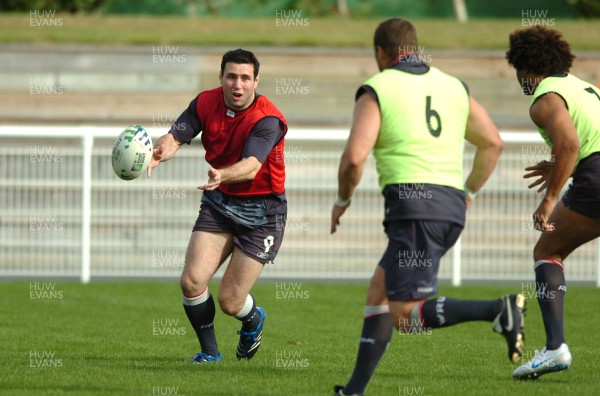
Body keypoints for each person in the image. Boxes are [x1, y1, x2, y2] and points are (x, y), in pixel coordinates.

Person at [330, 18, 520, 395]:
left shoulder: (379, 87)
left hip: (415, 209)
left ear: (380, 53)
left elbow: (354, 159)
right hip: (448, 207)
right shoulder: (453, 86)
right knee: (378, 294)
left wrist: (342, 200)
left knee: (404, 315)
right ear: (415, 48)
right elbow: (493, 143)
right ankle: (353, 391)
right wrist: (469, 192)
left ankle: (498, 311)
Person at [147, 48, 288, 364]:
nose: (238, 85)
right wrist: (161, 151)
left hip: (262, 213)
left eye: (245, 78)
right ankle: (210, 353)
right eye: (231, 77)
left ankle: (253, 319)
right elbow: (177, 135)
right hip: (220, 202)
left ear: (256, 81)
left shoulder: (267, 119)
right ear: (221, 78)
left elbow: (252, 165)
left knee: (230, 300)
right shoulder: (205, 102)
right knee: (192, 281)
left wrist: (222, 174)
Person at [506, 26, 600, 380]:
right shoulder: (584, 86)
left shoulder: (545, 95)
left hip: (596, 177)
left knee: (547, 252)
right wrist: (563, 163)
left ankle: (555, 349)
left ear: (526, 66)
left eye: (518, 69)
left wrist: (548, 200)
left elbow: (571, 145)